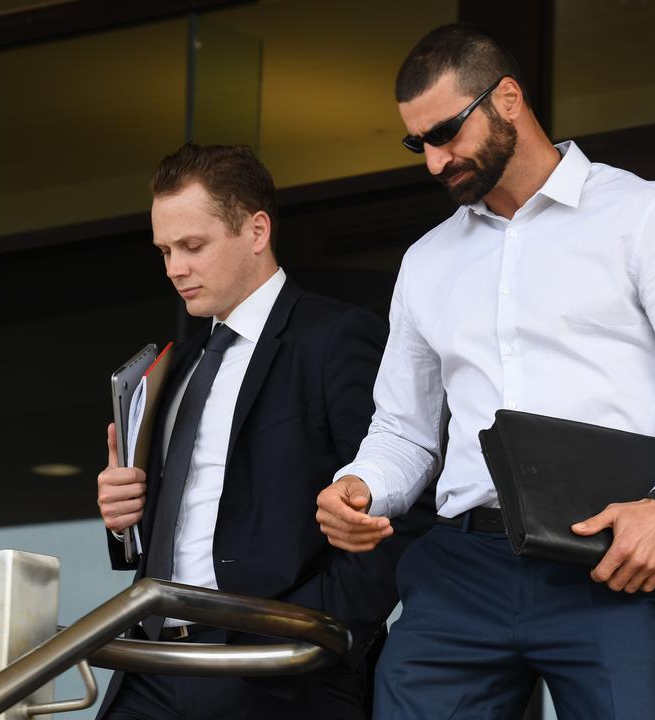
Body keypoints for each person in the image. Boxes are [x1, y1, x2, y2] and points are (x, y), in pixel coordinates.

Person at [315, 23, 655, 719]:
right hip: (461, 574)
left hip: (607, 564)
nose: (435, 162)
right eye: (419, 144)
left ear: (507, 99)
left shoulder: (644, 216)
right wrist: (361, 487)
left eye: (446, 133)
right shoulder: (426, 262)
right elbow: (406, 433)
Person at [95, 143, 427, 719]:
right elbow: (187, 518)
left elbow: (402, 498)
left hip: (276, 667)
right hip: (150, 662)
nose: (175, 268)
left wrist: (313, 630)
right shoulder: (181, 365)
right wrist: (123, 514)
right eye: (165, 250)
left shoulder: (335, 337)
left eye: (193, 246)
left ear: (256, 230)